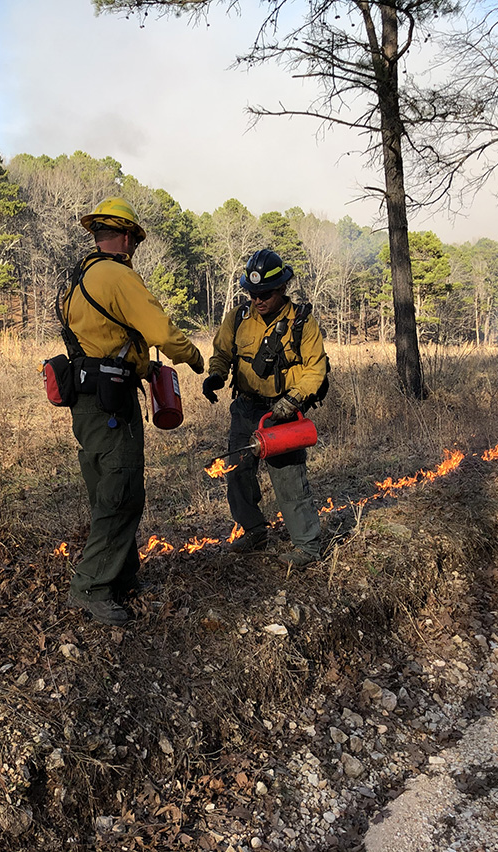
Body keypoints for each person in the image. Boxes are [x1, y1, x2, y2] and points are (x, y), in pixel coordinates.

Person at [59, 196, 205, 627]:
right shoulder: (117, 276)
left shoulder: (78, 278)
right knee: (119, 492)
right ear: (125, 237)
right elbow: (161, 330)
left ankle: (121, 574)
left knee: (110, 488)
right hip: (111, 403)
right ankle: (91, 586)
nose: (134, 248)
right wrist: (193, 357)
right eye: (135, 241)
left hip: (88, 401)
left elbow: (103, 337)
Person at [202, 248, 329, 568]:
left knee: (289, 481)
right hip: (245, 410)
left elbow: (316, 368)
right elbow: (221, 351)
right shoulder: (238, 317)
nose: (258, 299)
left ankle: (308, 546)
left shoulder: (302, 322)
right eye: (252, 293)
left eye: (265, 294)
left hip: (281, 415)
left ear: (282, 287)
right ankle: (254, 530)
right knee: (238, 475)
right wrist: (216, 374)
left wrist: (294, 398)